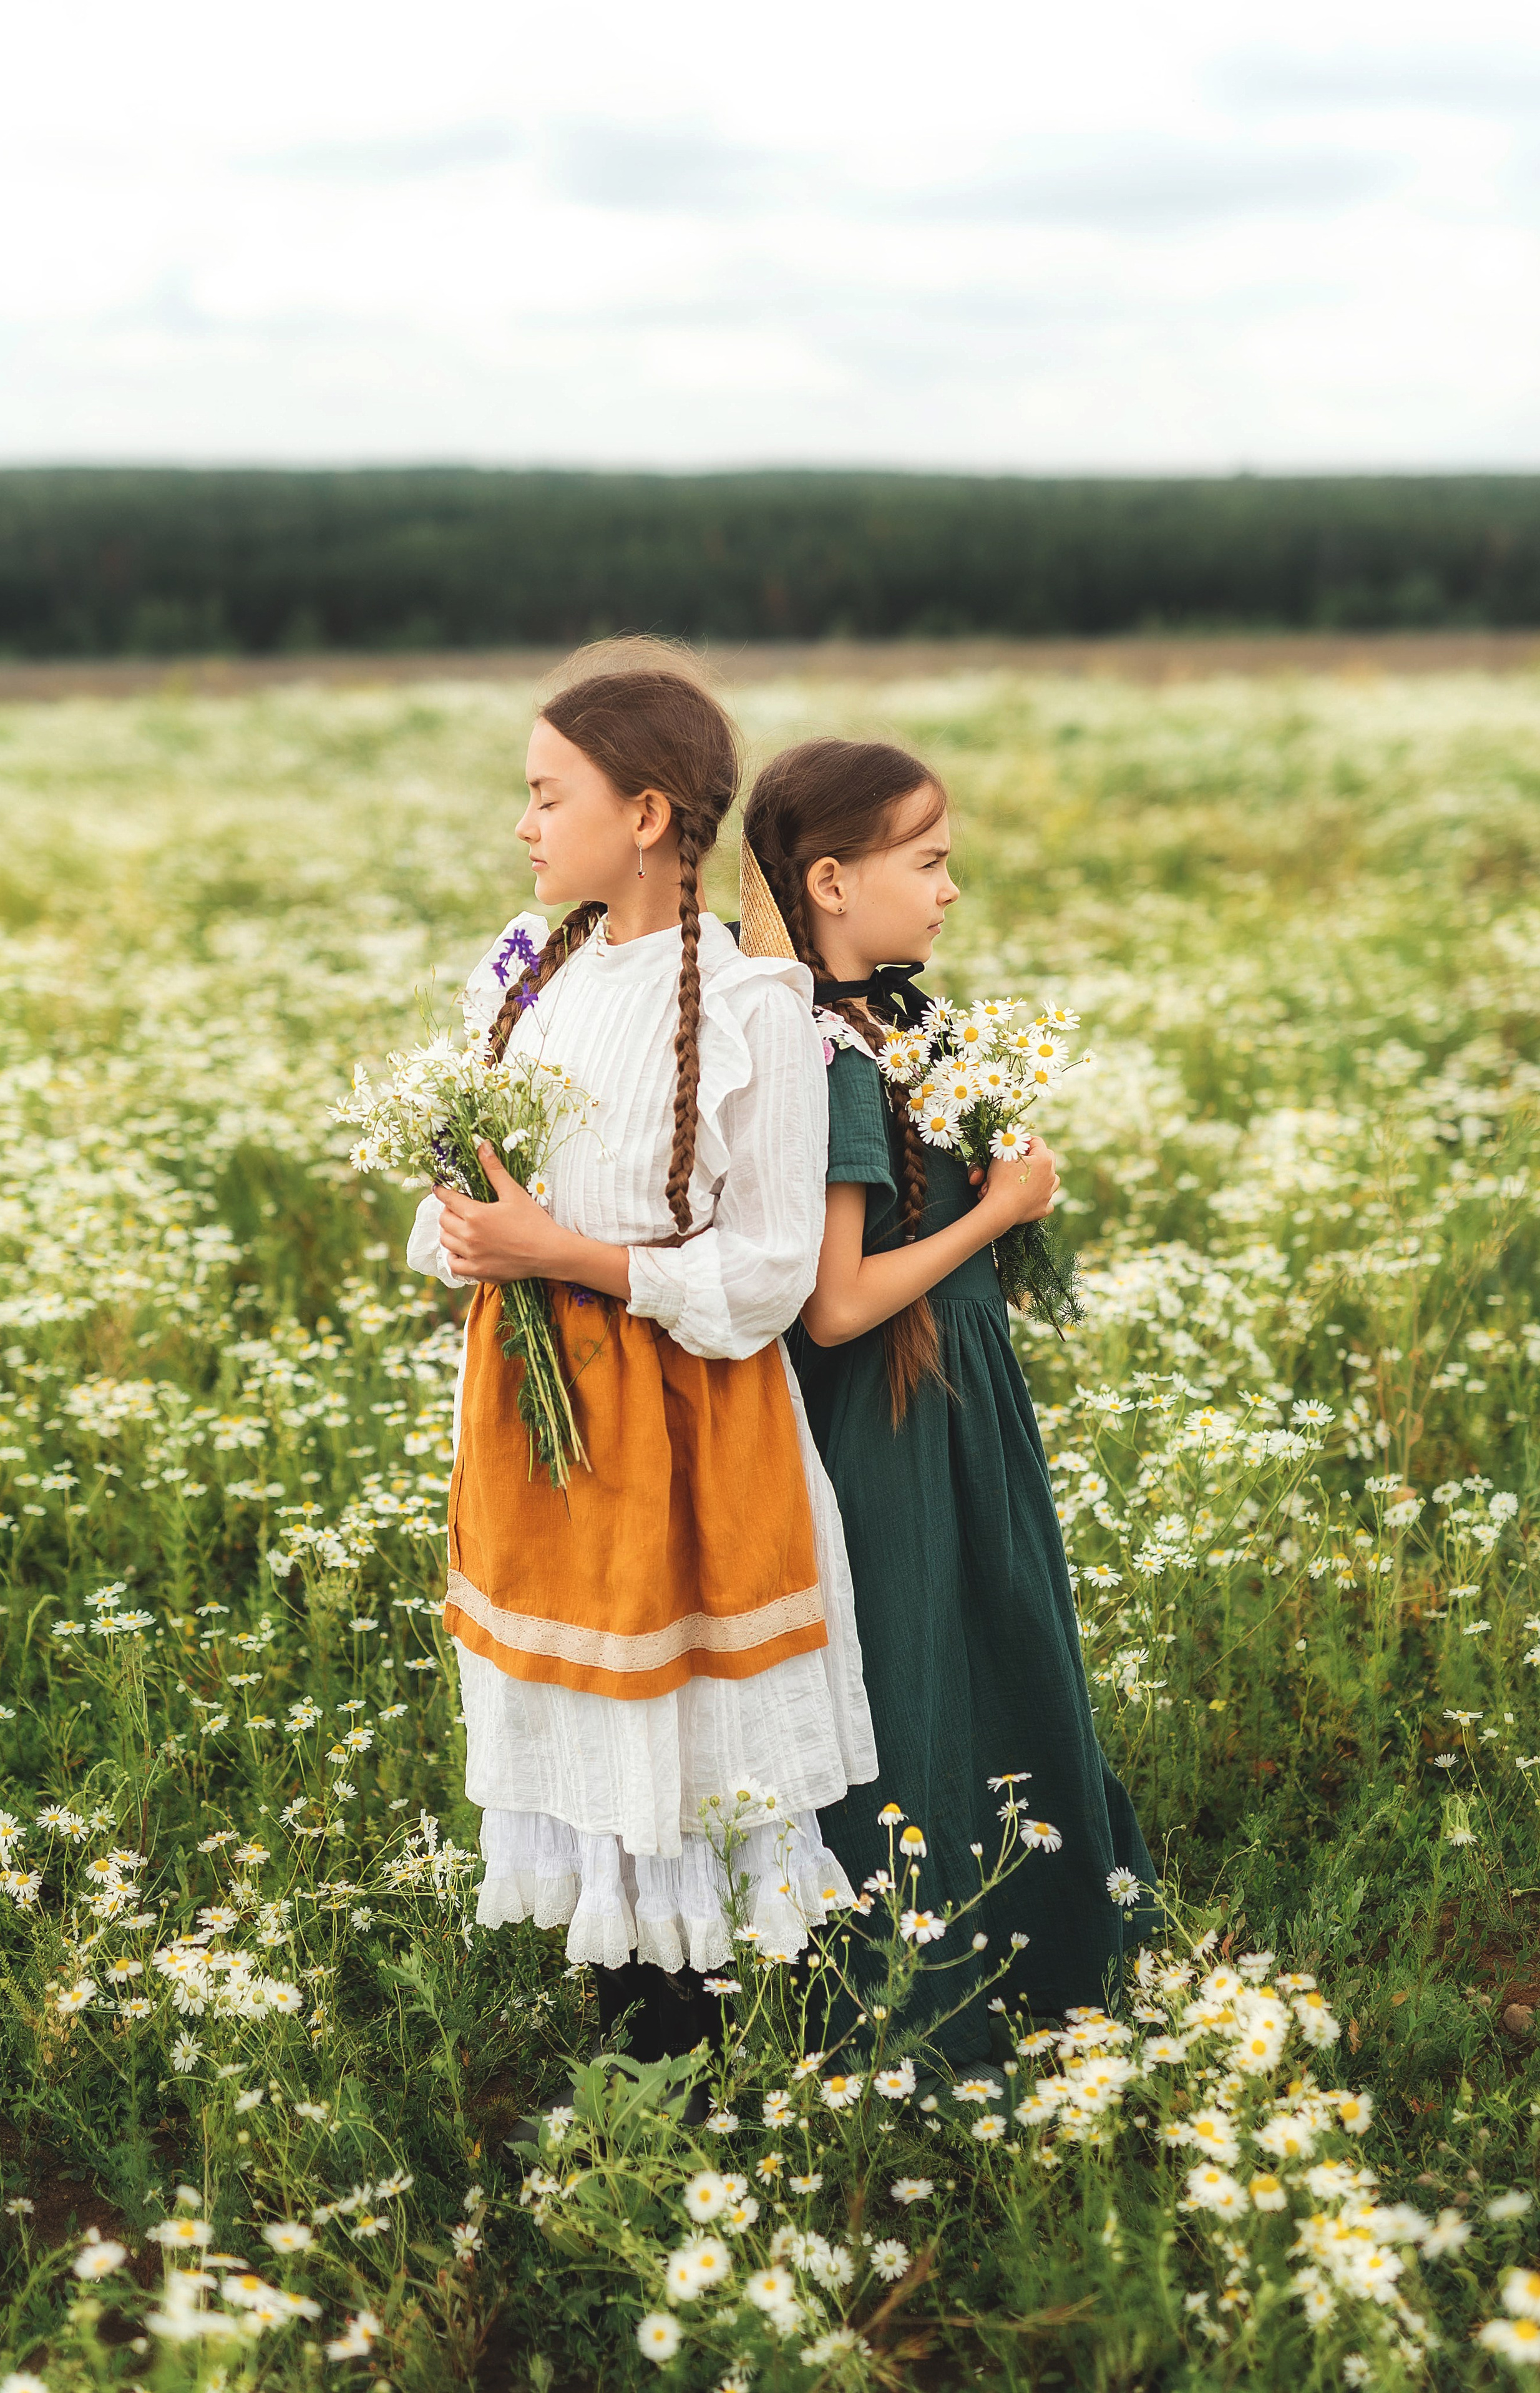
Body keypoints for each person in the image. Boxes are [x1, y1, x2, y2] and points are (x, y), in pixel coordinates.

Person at [407, 653, 875, 2066]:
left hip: (684, 1424)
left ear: (651, 812)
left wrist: (570, 1257)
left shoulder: (750, 1011)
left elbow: (767, 1274)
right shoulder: (526, 971)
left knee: (685, 1744)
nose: (525, 825)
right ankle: (627, 2052)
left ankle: (703, 2066)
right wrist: (472, 1236)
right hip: (532, 1406)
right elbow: (470, 1201)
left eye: (549, 795)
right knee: (578, 1734)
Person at [741, 736, 1157, 2065]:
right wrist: (1003, 1210)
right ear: (827, 881)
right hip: (888, 1424)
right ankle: (913, 1990)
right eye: (925, 862)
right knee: (912, 1680)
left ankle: (1041, 1935)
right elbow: (837, 1302)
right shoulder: (828, 1053)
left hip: (955, 1402)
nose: (949, 889)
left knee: (1001, 1646)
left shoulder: (901, 1019)